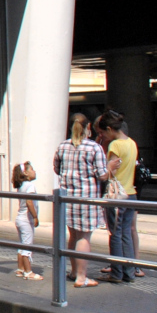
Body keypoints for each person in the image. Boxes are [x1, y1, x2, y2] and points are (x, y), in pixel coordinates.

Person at [53, 112, 119, 287]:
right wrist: (110, 167)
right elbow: (102, 175)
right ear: (88, 127)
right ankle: (82, 277)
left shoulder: (62, 146)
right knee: (84, 236)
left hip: (67, 197)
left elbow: (57, 169)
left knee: (73, 235)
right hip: (86, 198)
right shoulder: (93, 148)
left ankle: (74, 271)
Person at [95, 110, 138, 283]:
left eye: (103, 132)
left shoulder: (115, 146)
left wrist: (105, 164)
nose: (103, 136)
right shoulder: (132, 143)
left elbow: (109, 172)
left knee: (115, 234)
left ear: (109, 129)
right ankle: (129, 272)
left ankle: (117, 273)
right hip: (131, 194)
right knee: (126, 233)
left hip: (116, 195)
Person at [11, 161, 42, 280]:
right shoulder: (30, 186)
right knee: (27, 246)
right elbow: (29, 201)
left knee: (22, 244)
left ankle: (20, 269)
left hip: (19, 218)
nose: (35, 171)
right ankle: (29, 272)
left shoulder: (21, 186)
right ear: (25, 173)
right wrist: (35, 217)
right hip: (26, 219)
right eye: (32, 169)